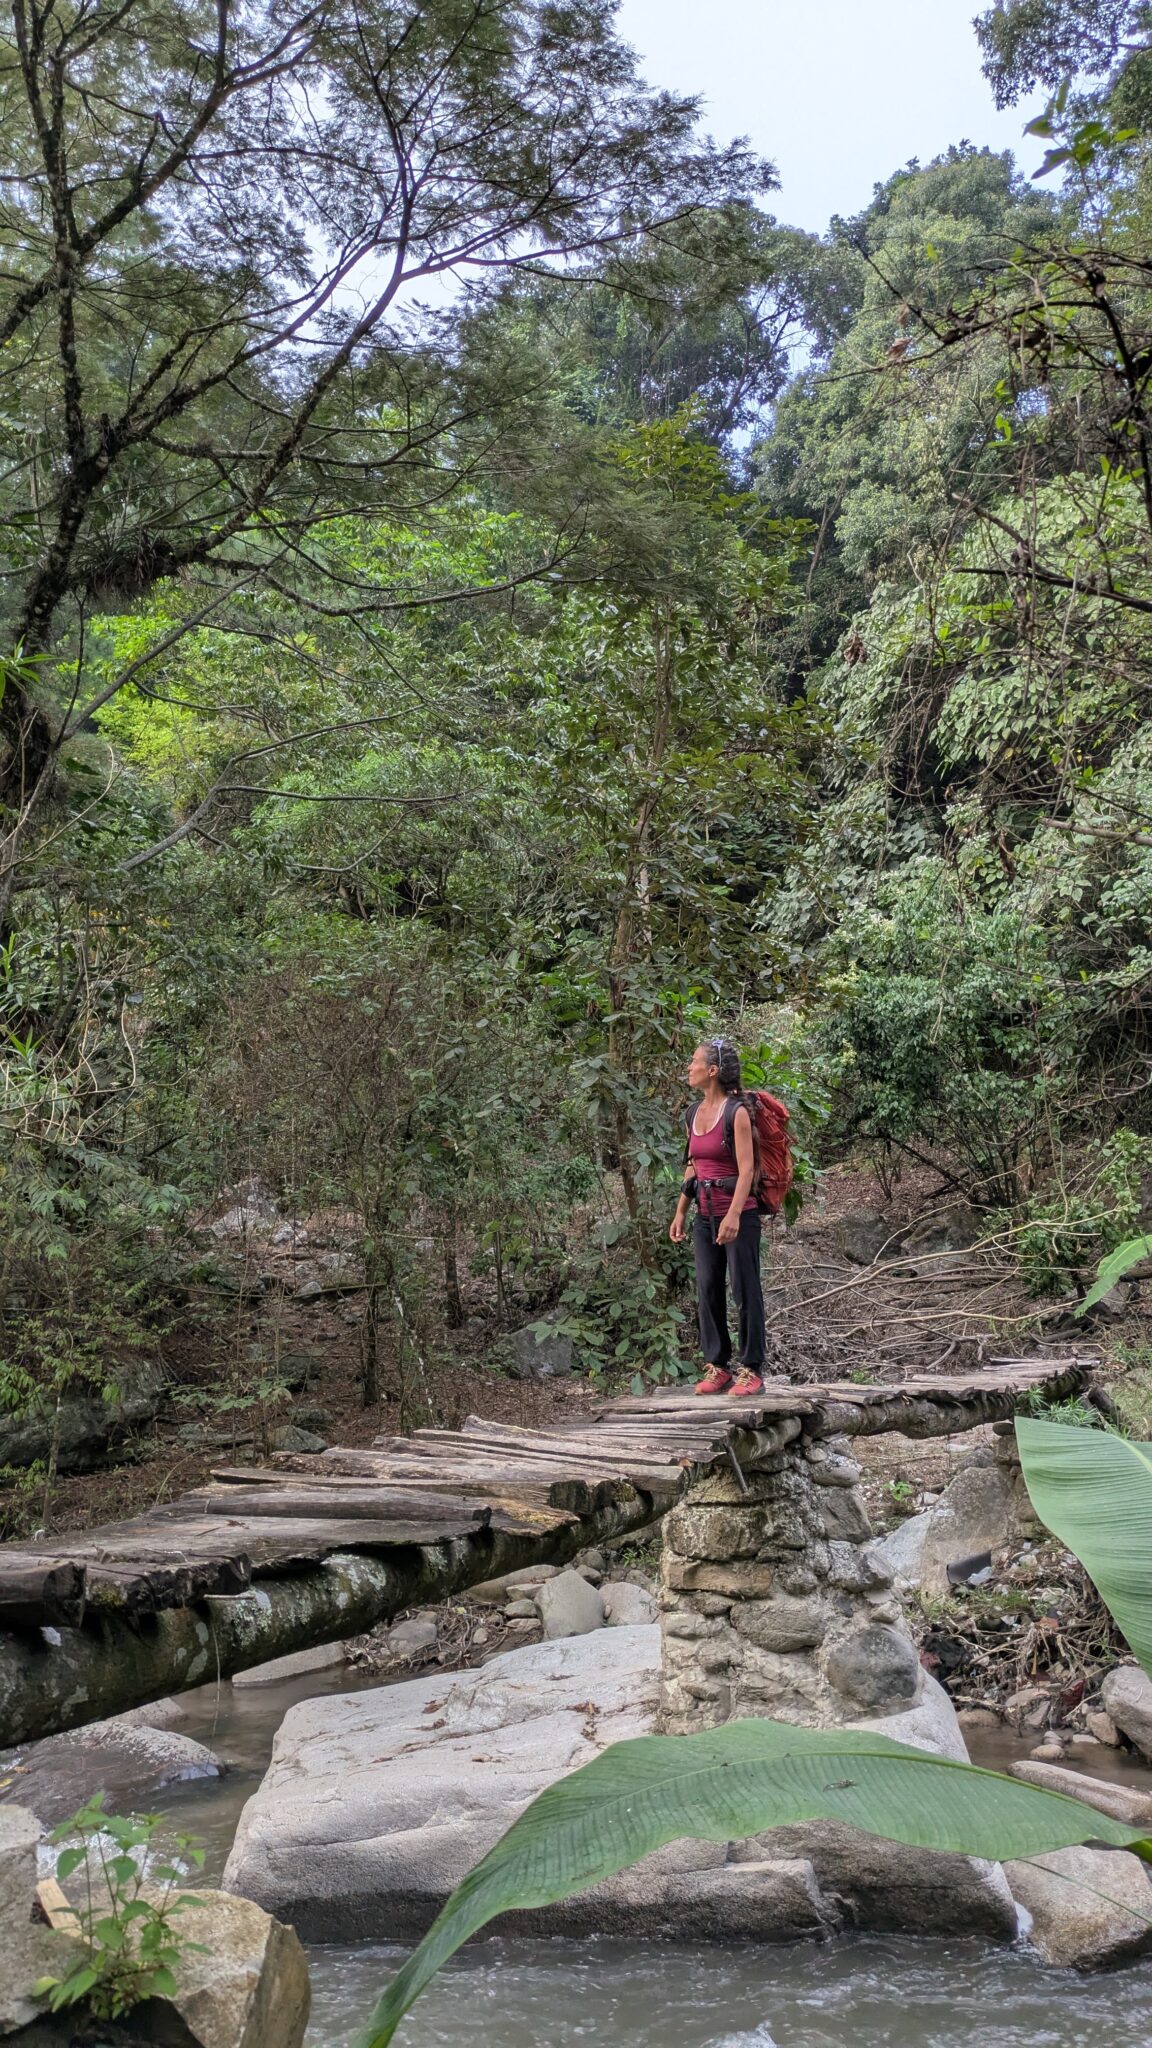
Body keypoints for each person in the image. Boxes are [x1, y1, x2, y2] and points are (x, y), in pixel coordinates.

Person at [669, 1037, 766, 1397]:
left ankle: (752, 1370)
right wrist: (681, 1211)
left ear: (712, 1071)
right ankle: (718, 1366)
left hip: (737, 1215)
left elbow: (746, 1170)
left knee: (745, 1289)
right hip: (704, 1214)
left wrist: (735, 1215)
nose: (689, 1068)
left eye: (694, 1063)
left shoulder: (736, 1112)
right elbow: (693, 1166)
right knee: (708, 1289)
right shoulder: (693, 1113)